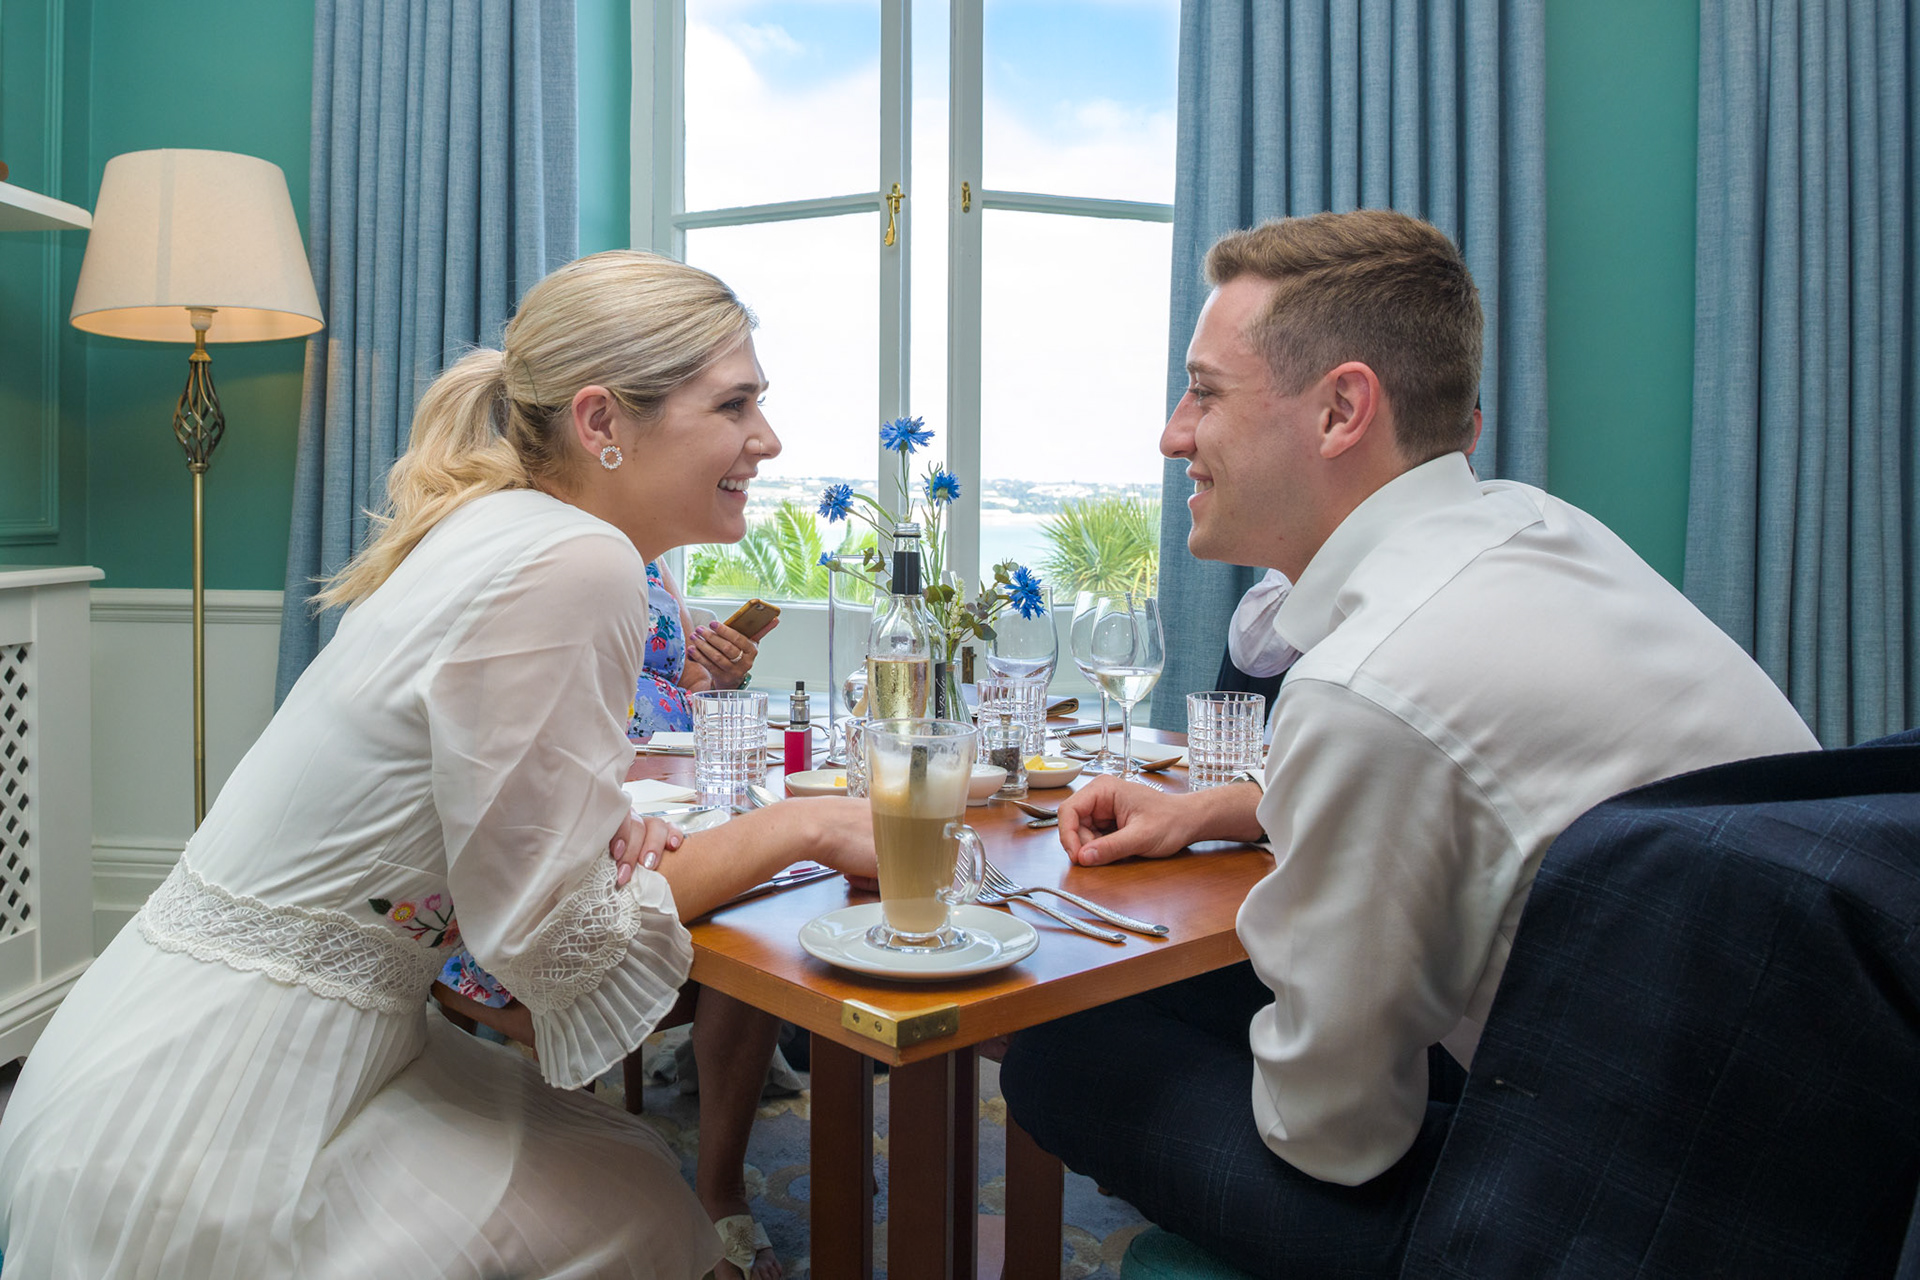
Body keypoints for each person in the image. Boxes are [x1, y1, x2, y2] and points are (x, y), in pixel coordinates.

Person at [0, 250, 875, 1279]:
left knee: (630, 1174)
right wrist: (810, 824)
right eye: (735, 404)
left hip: (157, 1040)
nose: (767, 438)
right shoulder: (579, 559)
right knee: (637, 1214)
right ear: (601, 420)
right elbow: (552, 942)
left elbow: (474, 803)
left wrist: (598, 825)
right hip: (224, 1100)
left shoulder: (503, 528)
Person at [998, 209, 1820, 1276]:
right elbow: (1486, 769)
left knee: (1062, 1055)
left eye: (1205, 392)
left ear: (1342, 409)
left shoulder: (1366, 683)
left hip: (1628, 1220)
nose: (1173, 434)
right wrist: (1218, 807)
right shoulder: (1536, 527)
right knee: (1196, 994)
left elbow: (1332, 1136)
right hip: (1806, 1132)